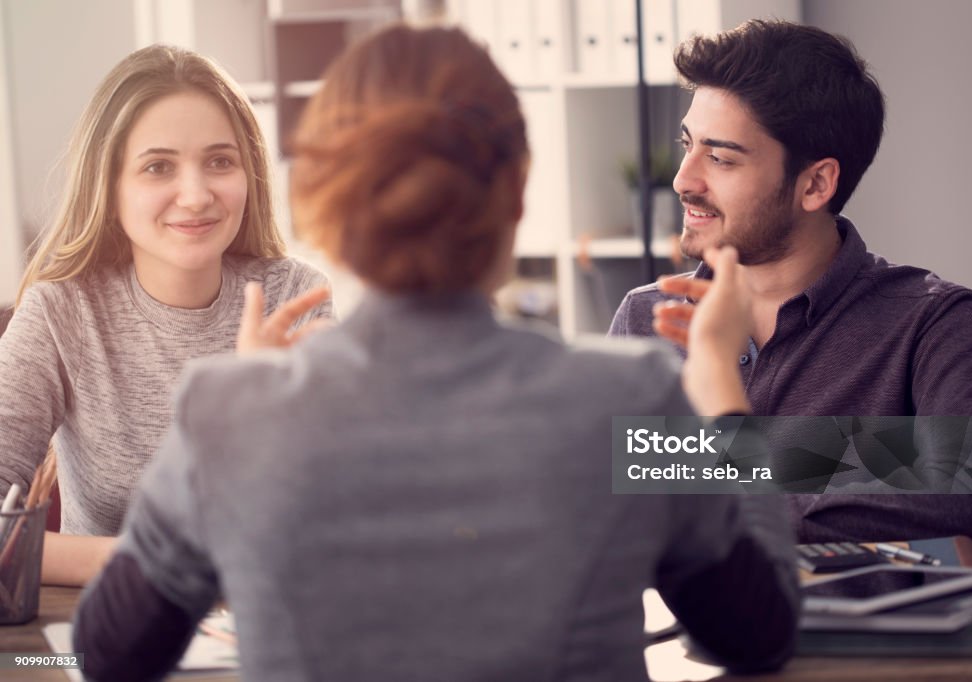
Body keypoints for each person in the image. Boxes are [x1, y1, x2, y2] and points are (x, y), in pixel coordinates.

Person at [73, 24, 799, 681]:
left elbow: (107, 654)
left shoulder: (230, 413)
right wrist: (719, 390)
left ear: (321, 198)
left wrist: (243, 428)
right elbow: (759, 634)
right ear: (517, 193)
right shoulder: (632, 394)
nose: (687, 176)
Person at [610, 20, 972, 548]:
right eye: (687, 145)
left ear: (816, 183)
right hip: (682, 630)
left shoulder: (933, 320)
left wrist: (713, 484)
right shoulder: (645, 317)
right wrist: (871, 456)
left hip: (865, 629)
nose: (683, 179)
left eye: (720, 157)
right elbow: (608, 511)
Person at [0, 44, 332, 586]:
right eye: (158, 167)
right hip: (102, 638)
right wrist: (151, 562)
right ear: (109, 189)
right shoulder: (62, 313)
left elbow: (332, 516)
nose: (196, 195)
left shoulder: (293, 296)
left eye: (220, 162)